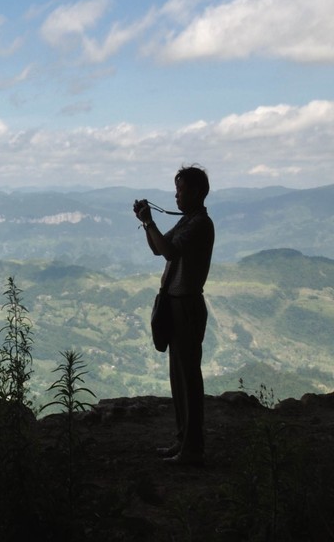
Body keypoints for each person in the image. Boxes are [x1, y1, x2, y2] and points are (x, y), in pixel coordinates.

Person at [134, 166, 214, 466]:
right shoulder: (187, 222)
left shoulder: (200, 225)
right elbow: (158, 249)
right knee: (179, 377)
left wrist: (149, 221)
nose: (176, 195)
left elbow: (167, 252)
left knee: (188, 378)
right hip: (176, 303)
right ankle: (183, 440)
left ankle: (192, 449)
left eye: (180, 190)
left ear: (195, 192)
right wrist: (147, 225)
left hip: (186, 306)